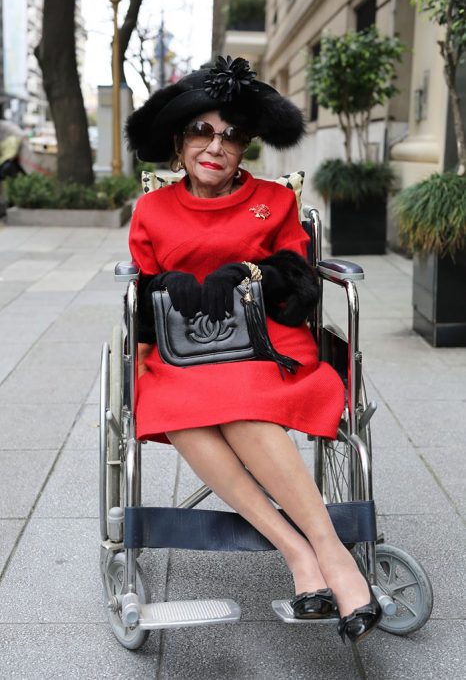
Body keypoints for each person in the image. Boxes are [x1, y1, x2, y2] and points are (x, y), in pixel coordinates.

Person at [126, 56, 381, 644]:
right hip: (184, 349)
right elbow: (143, 293)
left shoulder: (275, 200)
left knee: (237, 401)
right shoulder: (153, 210)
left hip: (268, 344)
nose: (216, 147)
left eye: (232, 136)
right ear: (179, 140)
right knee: (173, 402)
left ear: (246, 148)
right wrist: (168, 286)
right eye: (202, 131)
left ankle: (329, 554)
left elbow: (300, 282)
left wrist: (251, 274)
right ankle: (299, 549)